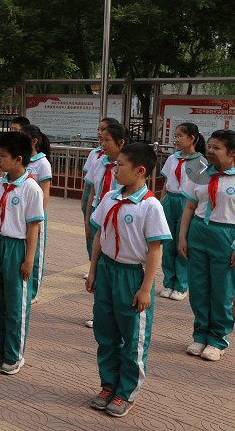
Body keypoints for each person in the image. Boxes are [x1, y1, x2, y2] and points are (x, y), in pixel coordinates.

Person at [85, 142, 169, 417]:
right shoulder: (110, 197)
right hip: (108, 271)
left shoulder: (150, 206)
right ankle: (108, 384)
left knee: (133, 338)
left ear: (140, 171)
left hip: (133, 275)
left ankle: (126, 393)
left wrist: (146, 288)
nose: (116, 168)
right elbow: (100, 234)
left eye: (121, 165)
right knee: (106, 333)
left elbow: (155, 249)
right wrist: (94, 269)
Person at [0, 131, 44, 375]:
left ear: (18, 159)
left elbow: (33, 227)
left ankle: (14, 353)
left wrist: (29, 260)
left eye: (3, 156)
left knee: (15, 302)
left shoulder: (31, 189)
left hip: (17, 247)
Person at [179, 129, 235, 362]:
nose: (209, 152)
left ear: (232, 153)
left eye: (216, 148)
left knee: (221, 292)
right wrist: (182, 237)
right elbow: (190, 207)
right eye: (209, 147)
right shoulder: (201, 172)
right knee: (199, 289)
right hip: (199, 232)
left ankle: (218, 339)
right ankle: (200, 334)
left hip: (227, 235)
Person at [82, 122, 130, 327]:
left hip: (118, 217)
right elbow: (92, 192)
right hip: (97, 215)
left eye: (107, 140)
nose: (102, 143)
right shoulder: (98, 162)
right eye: (101, 139)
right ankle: (99, 312)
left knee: (113, 264)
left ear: (121, 142)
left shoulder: (128, 166)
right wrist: (87, 220)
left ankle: (116, 312)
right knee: (97, 265)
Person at [157, 123, 204, 300]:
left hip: (188, 202)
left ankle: (182, 285)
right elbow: (166, 184)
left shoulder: (200, 162)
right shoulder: (172, 159)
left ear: (192, 138)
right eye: (175, 136)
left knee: (182, 244)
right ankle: (169, 283)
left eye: (179, 136)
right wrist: (162, 204)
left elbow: (201, 189)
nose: (175, 140)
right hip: (170, 200)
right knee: (168, 243)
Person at [22, 125, 52, 302]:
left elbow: (45, 192)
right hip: (20, 214)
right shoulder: (23, 159)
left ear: (34, 141)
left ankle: (32, 292)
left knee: (36, 253)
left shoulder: (42, 163)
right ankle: (23, 286)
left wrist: (39, 218)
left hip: (36, 215)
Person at [82, 118, 121, 218]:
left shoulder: (124, 163)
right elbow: (88, 179)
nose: (99, 132)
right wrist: (83, 198)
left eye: (103, 129)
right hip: (94, 194)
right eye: (98, 129)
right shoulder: (94, 154)